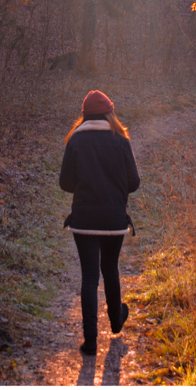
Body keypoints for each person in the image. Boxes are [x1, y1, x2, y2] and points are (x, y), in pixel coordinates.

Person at [58, 89, 140, 356]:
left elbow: (65, 183)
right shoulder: (120, 139)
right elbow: (134, 182)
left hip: (84, 219)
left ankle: (91, 341)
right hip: (114, 218)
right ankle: (116, 322)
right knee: (111, 269)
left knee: (90, 276)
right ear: (109, 113)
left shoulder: (76, 140)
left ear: (85, 115)